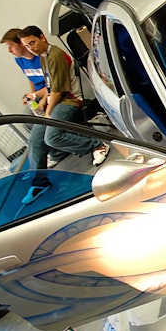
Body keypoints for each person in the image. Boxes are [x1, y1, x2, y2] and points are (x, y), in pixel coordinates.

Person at [17, 26, 109, 204]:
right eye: (27, 46)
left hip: (70, 101)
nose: (31, 48)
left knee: (51, 138)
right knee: (35, 140)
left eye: (32, 43)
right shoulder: (44, 58)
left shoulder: (56, 56)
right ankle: (40, 182)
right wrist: (43, 104)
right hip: (57, 102)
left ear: (42, 37)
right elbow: (50, 88)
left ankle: (97, 145)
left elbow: (59, 92)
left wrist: (48, 113)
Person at [0, 28, 68, 169]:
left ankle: (40, 174)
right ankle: (57, 152)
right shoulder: (20, 61)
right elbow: (30, 79)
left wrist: (39, 97)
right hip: (41, 96)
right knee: (26, 119)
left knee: (36, 132)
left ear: (20, 44)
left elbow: (53, 84)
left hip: (53, 95)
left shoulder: (43, 57)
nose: (10, 51)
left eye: (11, 46)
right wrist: (32, 96)